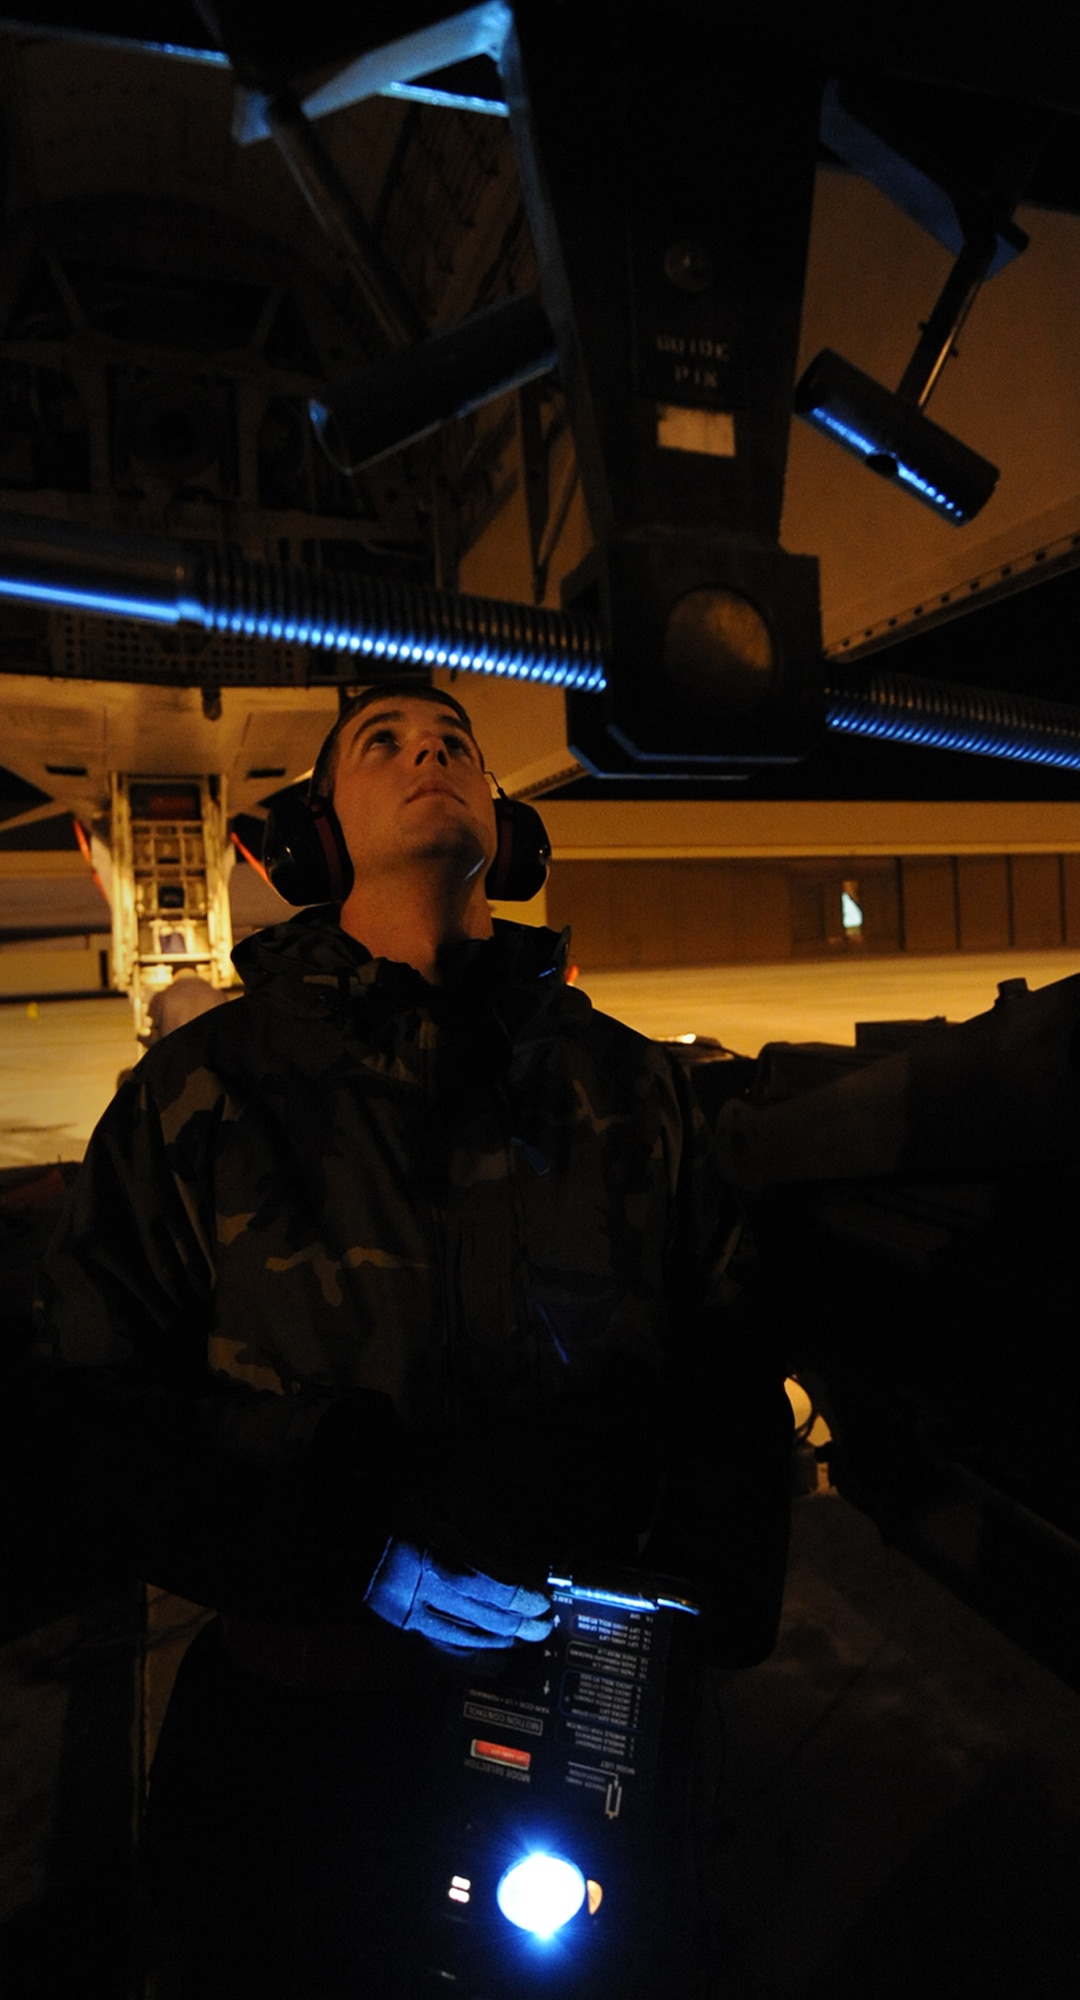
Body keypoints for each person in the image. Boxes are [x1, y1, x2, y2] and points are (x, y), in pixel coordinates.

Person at [39, 683, 790, 1997]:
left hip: (588, 1732)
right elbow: (94, 1423)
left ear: (501, 825)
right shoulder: (200, 1097)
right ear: (321, 836)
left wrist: (713, 1599)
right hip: (304, 1744)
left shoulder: (633, 1086)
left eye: (454, 744)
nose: (426, 752)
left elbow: (731, 1362)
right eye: (380, 744)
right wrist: (347, 1556)